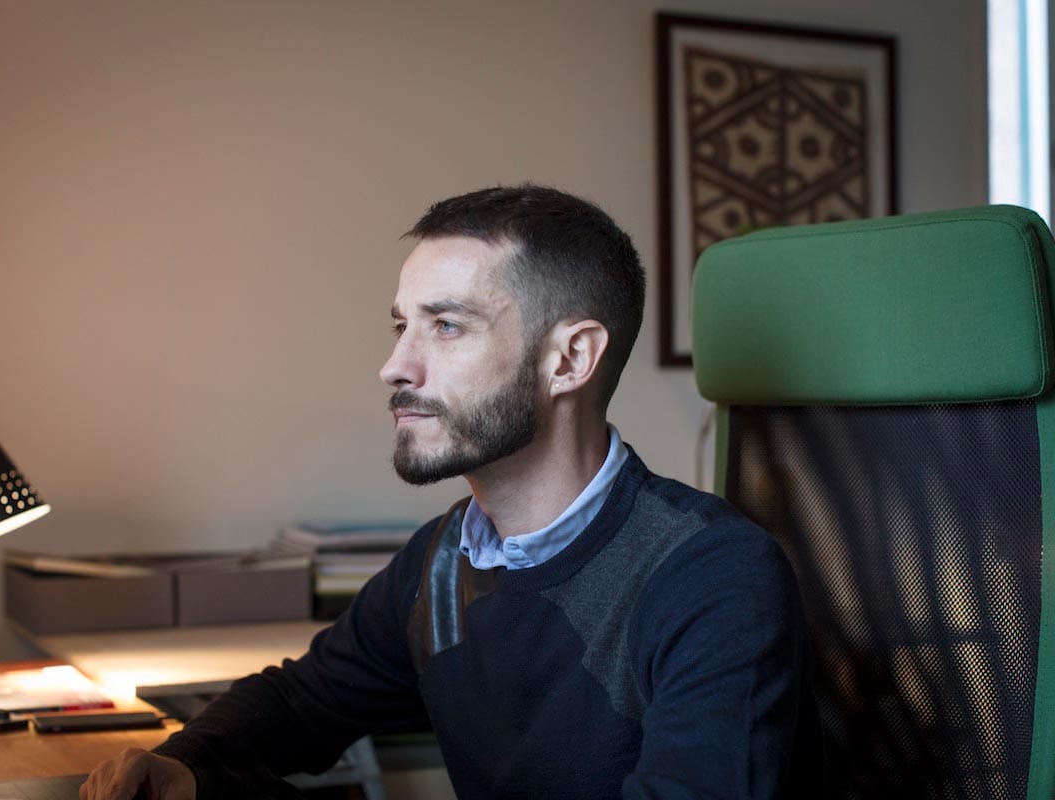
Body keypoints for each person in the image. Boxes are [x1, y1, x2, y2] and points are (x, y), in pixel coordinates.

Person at [81, 185, 820, 800]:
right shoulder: (440, 563)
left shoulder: (713, 576)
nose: (395, 366)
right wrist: (180, 764)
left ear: (569, 359)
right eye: (403, 326)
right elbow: (302, 701)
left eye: (446, 327)